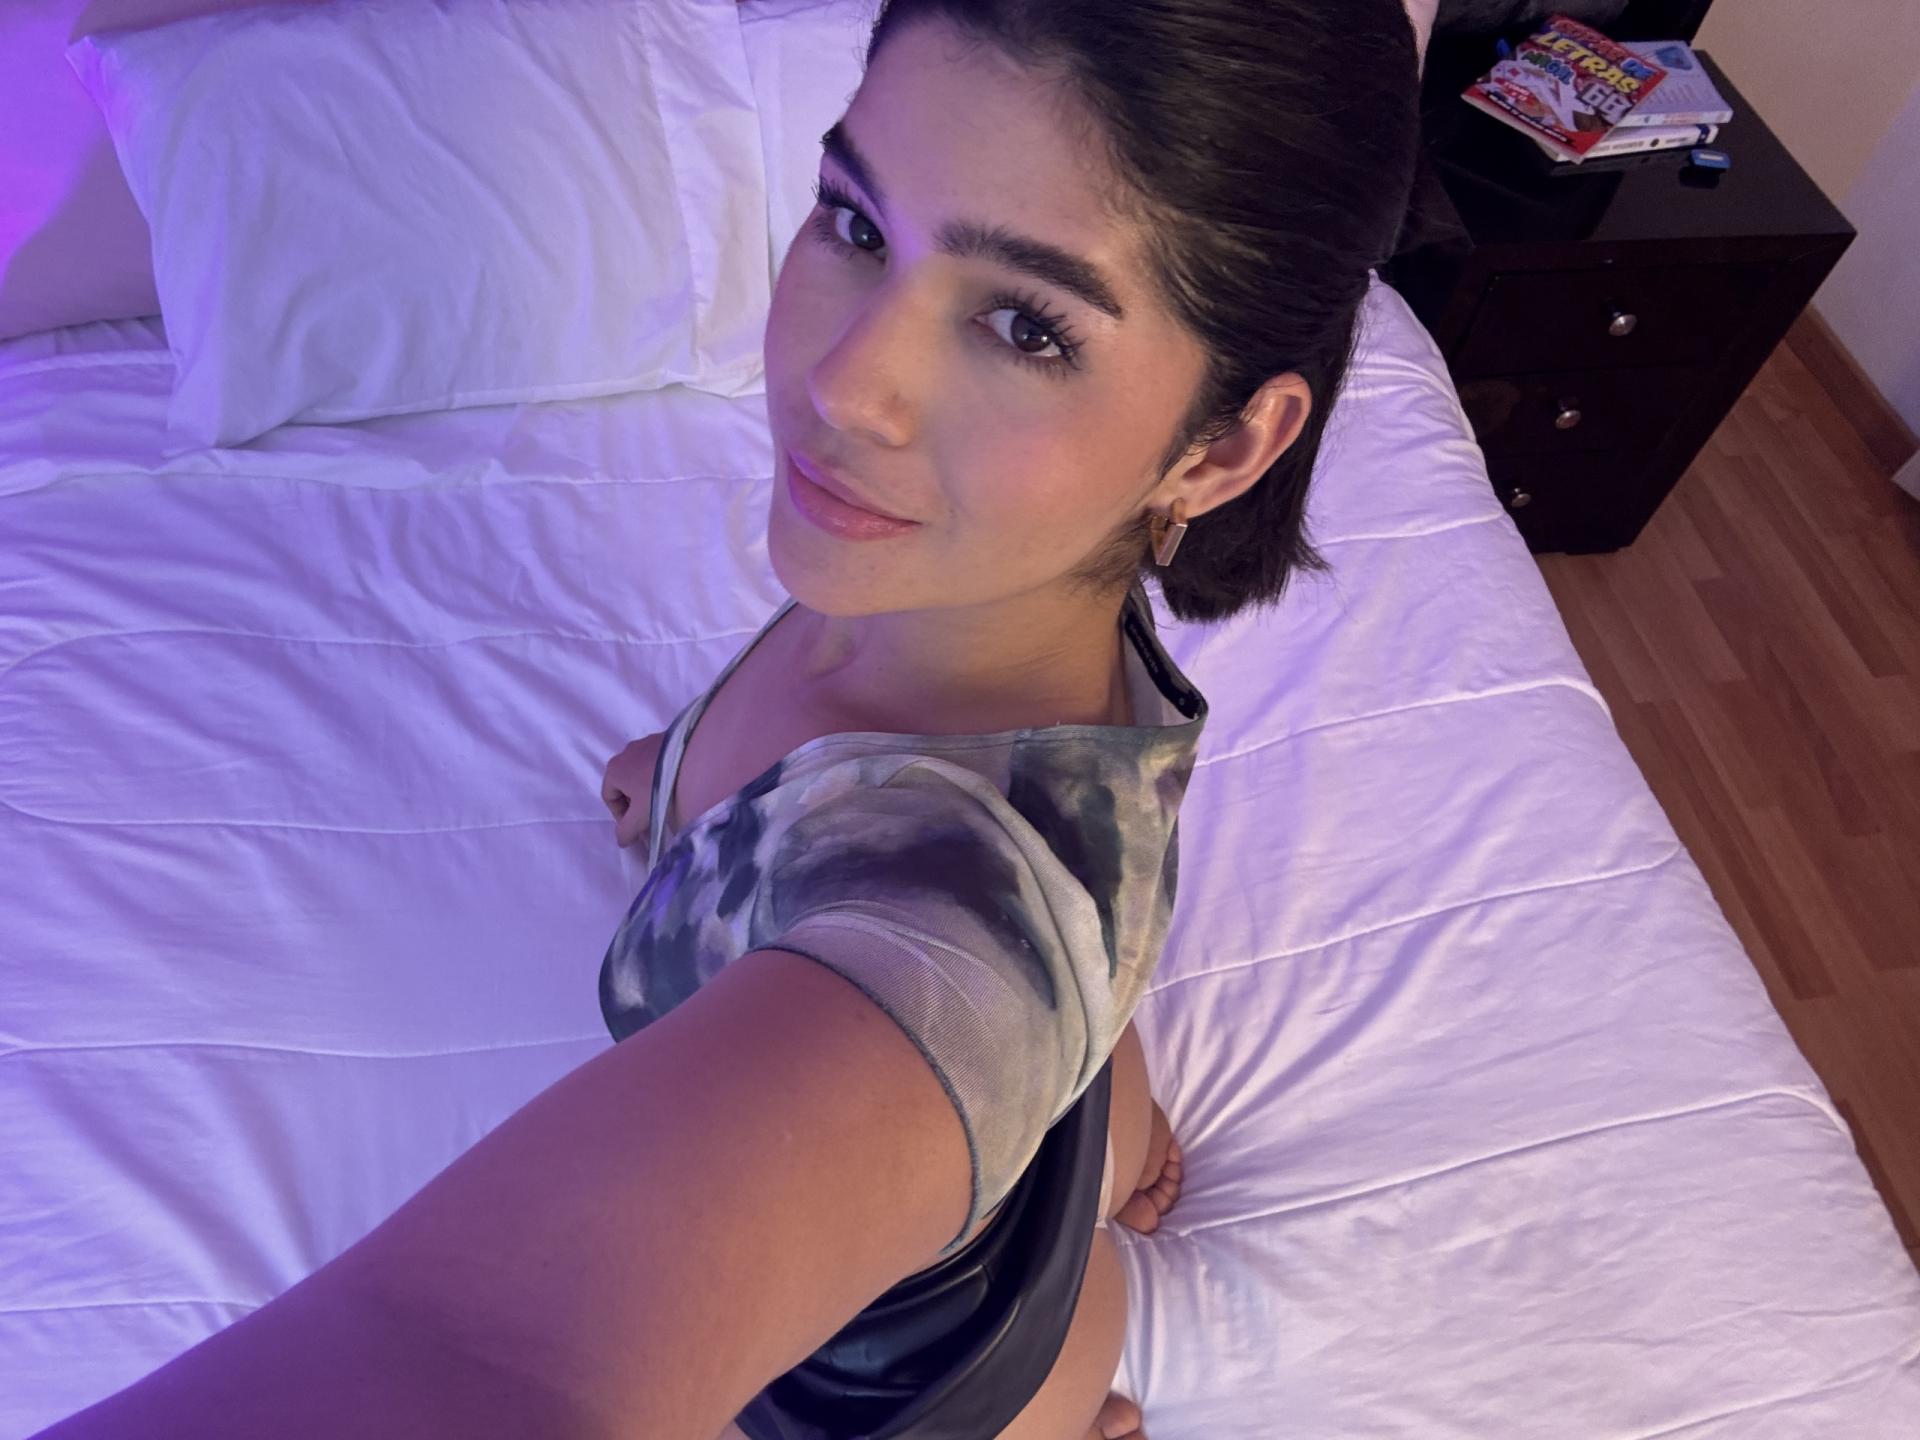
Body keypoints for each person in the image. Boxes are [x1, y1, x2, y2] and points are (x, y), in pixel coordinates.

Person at [30, 2, 1417, 1438]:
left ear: (1219, 449)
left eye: (1026, 327)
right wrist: (699, 786)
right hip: (1007, 1192)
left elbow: (484, 1355)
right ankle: (1097, 1147)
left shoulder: (952, 941)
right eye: (858, 224)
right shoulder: (976, 587)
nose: (842, 385)